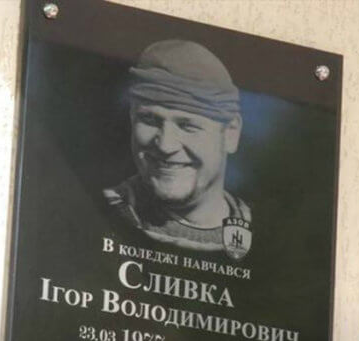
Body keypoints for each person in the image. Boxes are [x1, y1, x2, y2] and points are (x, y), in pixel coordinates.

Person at [104, 40, 252, 260]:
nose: (165, 145)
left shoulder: (269, 235)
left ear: (230, 133)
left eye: (187, 126)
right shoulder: (98, 213)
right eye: (149, 120)